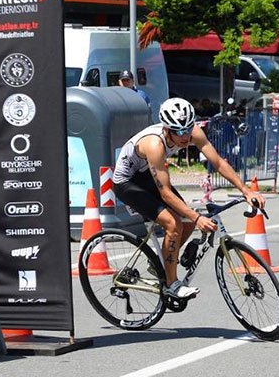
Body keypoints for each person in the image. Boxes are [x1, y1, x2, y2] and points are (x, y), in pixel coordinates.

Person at [112, 97, 265, 299]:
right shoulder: (154, 144)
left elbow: (218, 162)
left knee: (188, 222)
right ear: (167, 129)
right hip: (128, 182)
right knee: (174, 223)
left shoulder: (193, 132)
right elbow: (165, 192)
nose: (185, 137)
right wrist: (197, 217)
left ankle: (160, 263)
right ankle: (171, 284)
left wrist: (246, 191)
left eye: (188, 129)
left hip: (149, 175)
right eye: (179, 132)